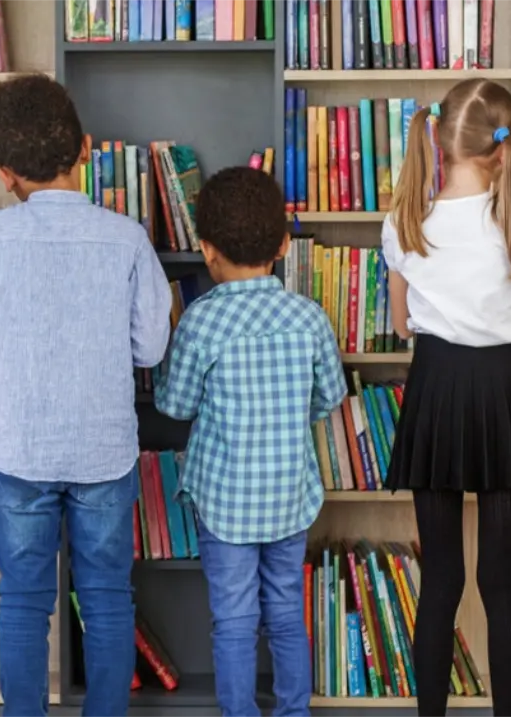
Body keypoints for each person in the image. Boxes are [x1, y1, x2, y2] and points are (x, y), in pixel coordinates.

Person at [0, 74, 172, 717]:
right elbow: (151, 348)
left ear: (5, 174)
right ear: (86, 149)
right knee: (107, 599)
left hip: (20, 449)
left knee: (22, 601)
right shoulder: (127, 238)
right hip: (104, 449)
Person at [381, 78, 511, 717]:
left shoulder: (405, 223)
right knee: (501, 580)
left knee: (442, 580)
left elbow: (401, 326)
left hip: (436, 393)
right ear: (504, 151)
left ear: (438, 139)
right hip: (504, 392)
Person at [154, 167, 346, 717]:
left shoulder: (201, 321)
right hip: (289, 497)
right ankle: (293, 712)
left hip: (226, 503)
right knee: (285, 612)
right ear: (284, 245)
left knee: (234, 619)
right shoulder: (308, 318)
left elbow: (175, 405)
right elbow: (329, 395)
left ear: (207, 250)